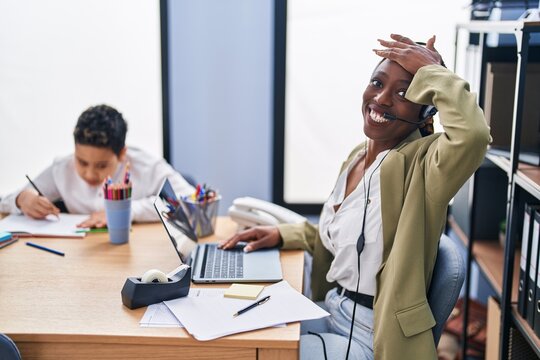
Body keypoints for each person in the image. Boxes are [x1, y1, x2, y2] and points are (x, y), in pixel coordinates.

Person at [219, 34, 491, 359]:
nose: (382, 99)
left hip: (371, 337)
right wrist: (282, 233)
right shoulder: (358, 157)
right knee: (236, 335)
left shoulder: (427, 168)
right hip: (331, 309)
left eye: (403, 92)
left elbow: (474, 135)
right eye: (377, 83)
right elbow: (348, 238)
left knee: (249, 353)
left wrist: (433, 72)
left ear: (426, 112)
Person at [0, 104, 194, 227]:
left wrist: (129, 211)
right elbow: (5, 201)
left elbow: (191, 201)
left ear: (122, 154)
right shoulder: (62, 168)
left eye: (101, 165)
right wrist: (21, 199)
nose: (89, 173)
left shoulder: (147, 166)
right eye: (82, 162)